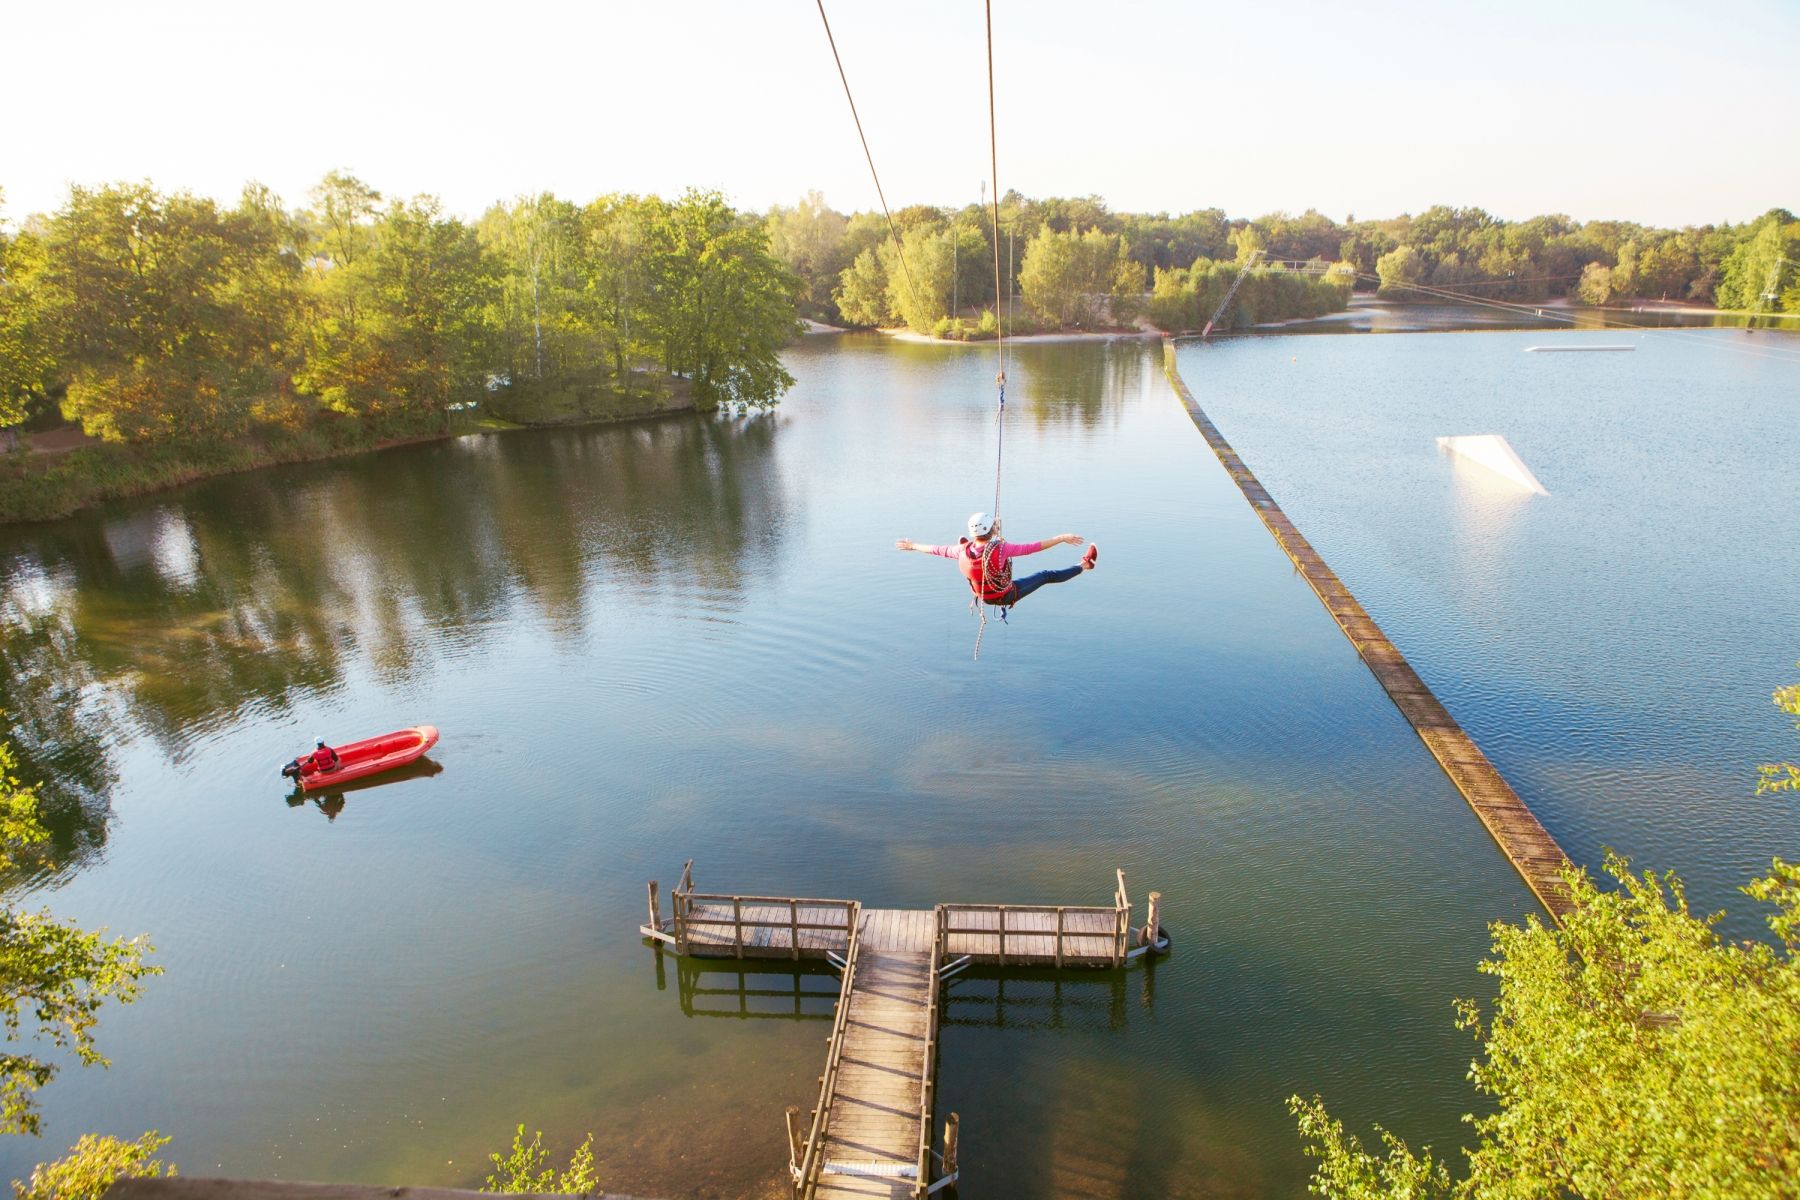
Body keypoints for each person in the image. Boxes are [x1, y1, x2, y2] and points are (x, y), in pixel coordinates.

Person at [896, 511, 1097, 607]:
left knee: (961, 548)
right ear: (992, 530)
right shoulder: (1001, 549)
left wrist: (913, 545)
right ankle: (1085, 565)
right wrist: (1061, 538)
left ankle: (977, 549)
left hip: (984, 595)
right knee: (1046, 576)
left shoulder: (961, 550)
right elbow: (1033, 548)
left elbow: (935, 549)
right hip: (1006, 594)